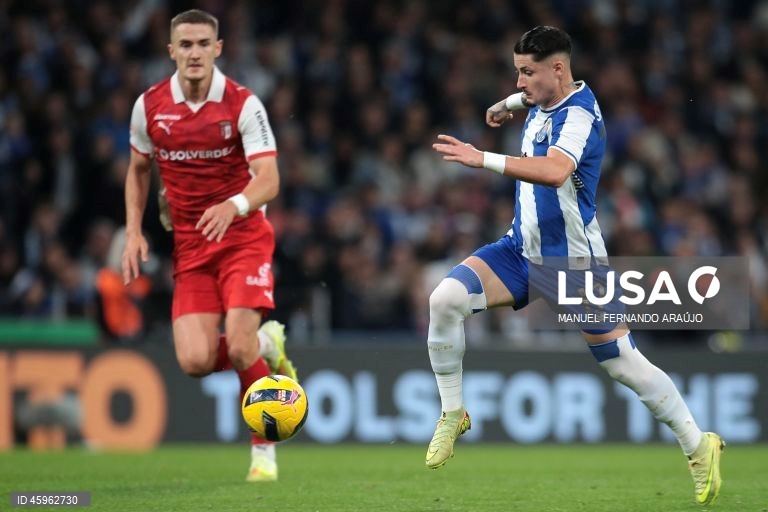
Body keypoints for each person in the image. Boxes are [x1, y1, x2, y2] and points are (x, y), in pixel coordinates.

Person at [427, 26, 724, 505]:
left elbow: (555, 170)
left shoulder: (581, 114)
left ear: (558, 69)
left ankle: (698, 444)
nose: (520, 80)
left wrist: (481, 158)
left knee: (623, 364)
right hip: (519, 250)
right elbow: (530, 99)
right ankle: (452, 412)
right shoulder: (542, 95)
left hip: (573, 263)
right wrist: (506, 104)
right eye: (516, 72)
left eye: (527, 72)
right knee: (444, 300)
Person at [121, 9, 297, 482]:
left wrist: (234, 205)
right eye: (186, 44)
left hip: (242, 237)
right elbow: (139, 170)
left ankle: (264, 452)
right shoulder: (150, 106)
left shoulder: (242, 104)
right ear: (171, 51)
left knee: (238, 348)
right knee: (195, 361)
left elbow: (270, 180)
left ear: (218, 49)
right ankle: (269, 342)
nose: (195, 53)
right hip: (191, 247)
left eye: (203, 44)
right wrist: (134, 231)